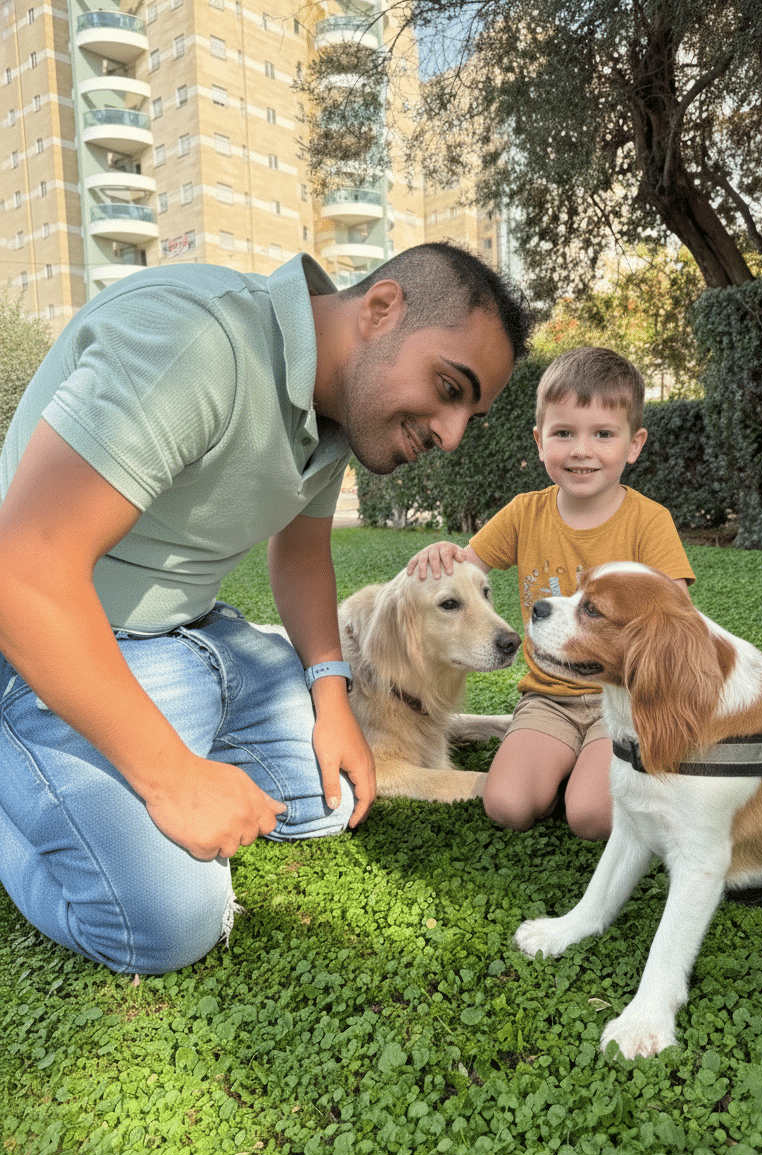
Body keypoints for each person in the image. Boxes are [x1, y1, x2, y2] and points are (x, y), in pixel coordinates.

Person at [0, 242, 531, 974]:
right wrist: (170, 778)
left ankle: (125, 765)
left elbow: (302, 554)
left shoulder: (336, 404)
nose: (451, 435)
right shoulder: (193, 341)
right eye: (449, 387)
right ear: (381, 310)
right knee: (169, 921)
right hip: (60, 648)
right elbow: (23, 572)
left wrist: (331, 695)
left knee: (341, 796)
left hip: (204, 642)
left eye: (469, 412)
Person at [409, 346, 695, 840]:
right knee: (508, 806)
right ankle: (569, 764)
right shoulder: (524, 512)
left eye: (603, 434)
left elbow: (675, 615)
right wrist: (444, 554)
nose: (582, 450)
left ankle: (597, 768)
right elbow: (463, 570)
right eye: (564, 433)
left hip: (623, 700)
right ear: (540, 442)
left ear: (634, 444)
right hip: (549, 699)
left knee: (590, 818)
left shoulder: (650, 521)